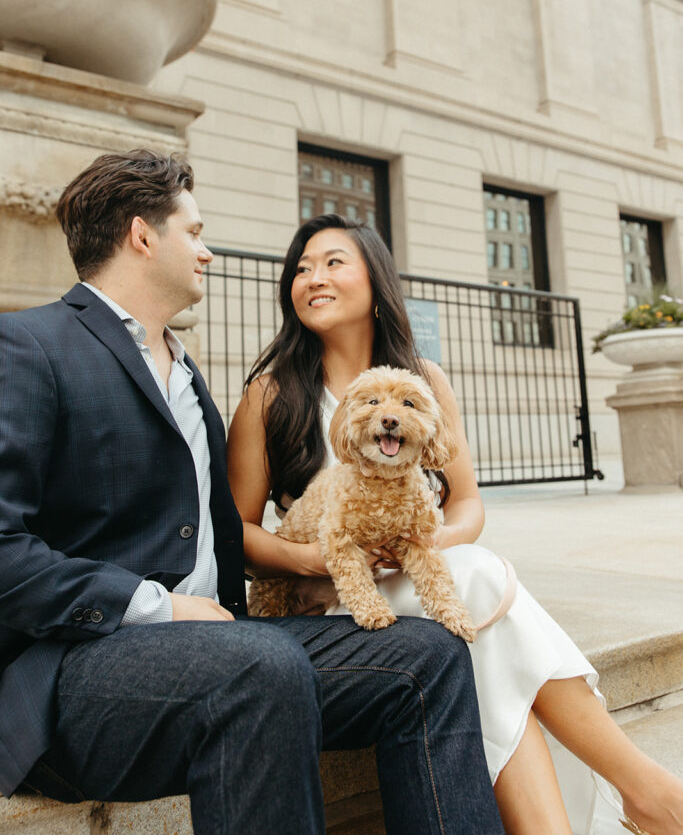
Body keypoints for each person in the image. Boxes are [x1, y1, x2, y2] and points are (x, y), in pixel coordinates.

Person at [0, 150, 504, 835]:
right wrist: (159, 608)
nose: (206, 253)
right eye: (195, 232)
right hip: (79, 675)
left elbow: (221, 528)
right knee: (257, 665)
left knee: (429, 655)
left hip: (228, 642)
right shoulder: (27, 346)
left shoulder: (184, 372)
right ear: (144, 237)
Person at [228, 213, 683, 835]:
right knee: (476, 583)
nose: (312, 278)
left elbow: (466, 506)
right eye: (301, 269)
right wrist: (316, 562)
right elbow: (236, 534)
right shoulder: (271, 393)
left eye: (333, 262)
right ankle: (645, 790)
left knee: (472, 595)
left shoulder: (425, 379)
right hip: (329, 603)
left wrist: (419, 545)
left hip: (412, 580)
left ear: (374, 279)